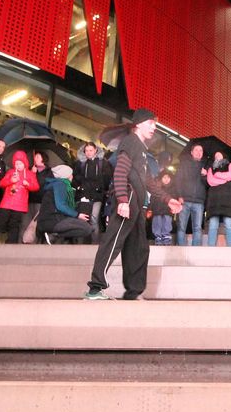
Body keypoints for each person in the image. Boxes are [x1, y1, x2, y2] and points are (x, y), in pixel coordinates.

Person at [85, 108, 179, 300]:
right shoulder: (130, 142)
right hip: (128, 198)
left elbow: (148, 181)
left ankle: (133, 291)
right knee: (113, 241)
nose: (154, 127)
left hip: (137, 202)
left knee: (139, 247)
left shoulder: (142, 150)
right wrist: (121, 200)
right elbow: (120, 171)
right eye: (150, 123)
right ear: (138, 125)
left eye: (154, 123)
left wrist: (167, 199)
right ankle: (95, 288)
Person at [0, 150, 38, 244]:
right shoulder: (10, 172)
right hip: (7, 202)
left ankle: (11, 242)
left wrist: (27, 184)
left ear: (24, 163)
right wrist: (11, 180)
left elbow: (36, 187)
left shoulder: (30, 174)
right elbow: (2, 183)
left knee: (14, 224)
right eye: (16, 163)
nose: (18, 165)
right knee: (0, 221)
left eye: (20, 163)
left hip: (19, 204)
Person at [37, 164, 95, 243]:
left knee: (87, 228)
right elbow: (60, 205)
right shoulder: (60, 185)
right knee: (87, 229)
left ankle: (54, 235)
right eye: (70, 174)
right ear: (66, 176)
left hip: (50, 220)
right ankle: (54, 235)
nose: (72, 176)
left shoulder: (56, 184)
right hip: (53, 220)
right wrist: (77, 215)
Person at [73, 142, 111, 237]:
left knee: (94, 218)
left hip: (97, 195)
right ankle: (83, 243)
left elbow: (107, 178)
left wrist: (102, 188)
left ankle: (94, 243)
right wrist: (79, 186)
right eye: (86, 151)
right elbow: (75, 177)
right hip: (83, 194)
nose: (89, 153)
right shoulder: (80, 163)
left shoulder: (103, 163)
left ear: (95, 151)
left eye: (91, 150)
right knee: (84, 220)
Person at [174, 144, 207, 246]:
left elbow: (208, 185)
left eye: (201, 150)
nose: (199, 152)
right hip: (185, 200)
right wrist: (179, 195)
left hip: (199, 201)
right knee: (181, 227)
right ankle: (181, 250)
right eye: (196, 150)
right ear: (192, 152)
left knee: (197, 227)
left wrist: (205, 175)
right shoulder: (184, 164)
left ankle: (195, 251)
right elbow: (178, 180)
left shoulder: (205, 166)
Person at [205, 151, 231, 246]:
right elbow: (210, 181)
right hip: (214, 200)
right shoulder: (211, 168)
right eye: (215, 155)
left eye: (219, 154)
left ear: (224, 155)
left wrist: (218, 175)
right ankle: (211, 247)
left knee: (229, 224)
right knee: (213, 225)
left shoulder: (230, 164)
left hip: (228, 200)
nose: (217, 156)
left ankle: (230, 247)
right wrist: (225, 179)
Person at [149, 171, 176, 245]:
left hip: (168, 210)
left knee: (167, 224)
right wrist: (150, 209)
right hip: (157, 209)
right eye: (164, 177)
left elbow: (174, 199)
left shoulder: (173, 188)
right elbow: (152, 198)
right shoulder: (157, 188)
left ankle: (166, 237)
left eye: (168, 177)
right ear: (161, 179)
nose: (166, 179)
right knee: (157, 224)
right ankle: (158, 238)